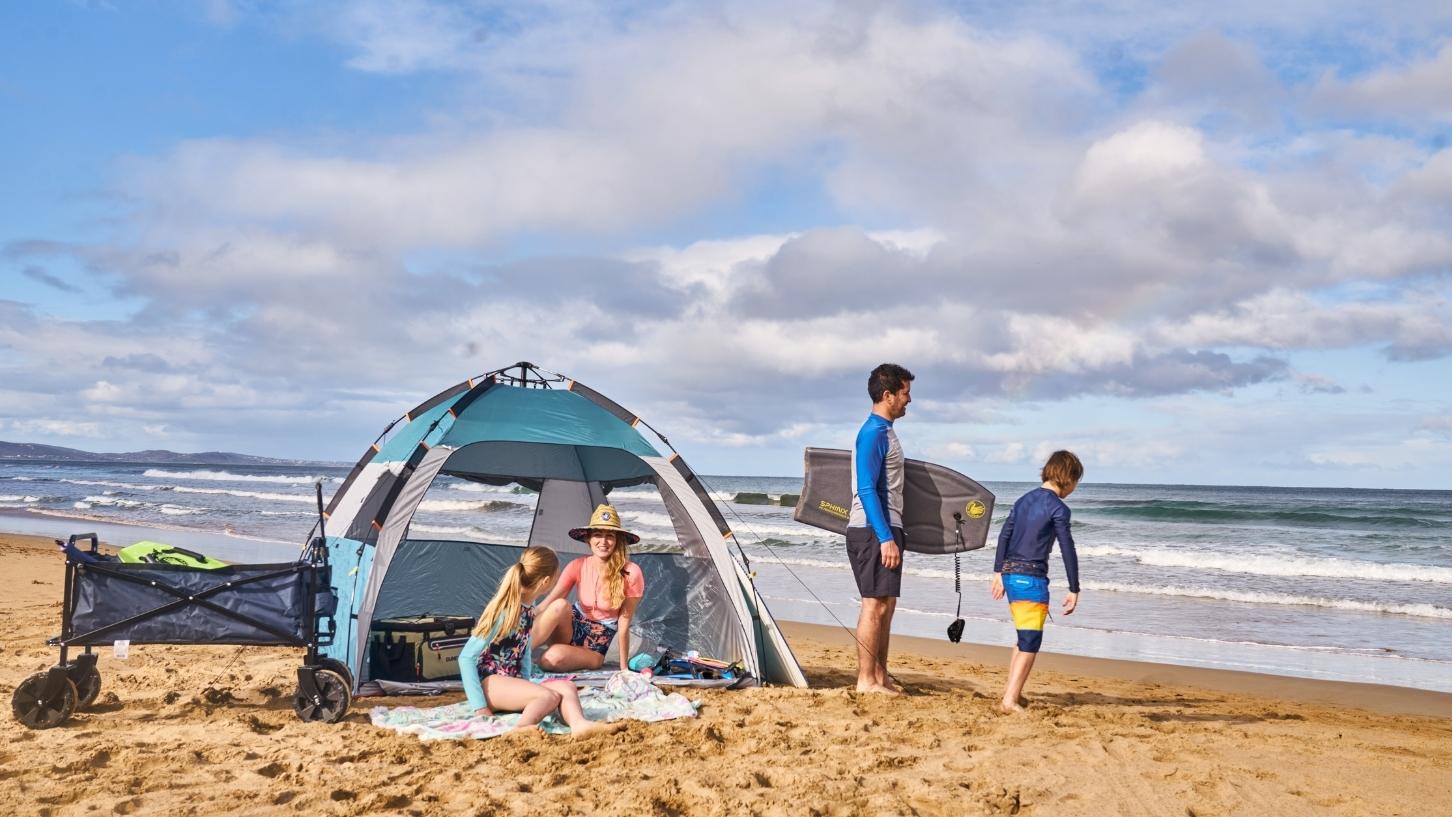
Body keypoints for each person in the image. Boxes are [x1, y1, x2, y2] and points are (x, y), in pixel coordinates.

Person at [457, 545, 612, 735]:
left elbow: (524, 653)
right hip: (491, 685)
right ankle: (521, 728)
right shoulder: (504, 612)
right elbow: (466, 657)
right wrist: (479, 706)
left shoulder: (529, 610)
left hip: (511, 684)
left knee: (567, 687)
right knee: (548, 696)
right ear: (546, 581)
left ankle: (579, 725)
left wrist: (526, 685)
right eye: (556, 577)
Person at [990, 450, 1084, 714]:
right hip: (1031, 579)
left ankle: (1013, 693)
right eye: (1077, 482)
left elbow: (1004, 535)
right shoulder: (1058, 508)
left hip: (1010, 576)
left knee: (1023, 636)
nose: (1075, 488)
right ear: (1068, 477)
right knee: (1030, 641)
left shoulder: (1023, 501)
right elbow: (1067, 548)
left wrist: (998, 572)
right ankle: (1009, 700)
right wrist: (1074, 588)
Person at [847, 363, 914, 695]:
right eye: (905, 393)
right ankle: (866, 681)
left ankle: (880, 676)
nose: (909, 399)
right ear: (888, 395)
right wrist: (885, 537)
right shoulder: (873, 432)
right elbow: (866, 488)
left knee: (886, 606)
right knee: (873, 604)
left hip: (887, 528)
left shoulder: (885, 431)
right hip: (874, 530)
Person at [532, 504, 645, 672]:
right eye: (598, 535)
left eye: (610, 536)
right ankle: (515, 654)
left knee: (550, 659)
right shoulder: (577, 565)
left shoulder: (631, 572)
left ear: (617, 540)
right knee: (559, 605)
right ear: (588, 539)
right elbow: (546, 604)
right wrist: (514, 622)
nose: (603, 542)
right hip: (569, 629)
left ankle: (557, 656)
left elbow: (624, 623)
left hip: (595, 645)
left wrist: (624, 669)